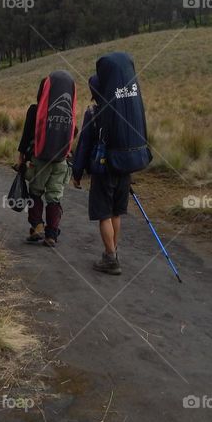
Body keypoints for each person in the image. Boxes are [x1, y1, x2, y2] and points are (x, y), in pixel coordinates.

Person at [72, 74, 129, 275]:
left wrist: (76, 172)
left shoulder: (93, 113)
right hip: (123, 169)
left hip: (103, 171)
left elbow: (84, 145)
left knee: (103, 213)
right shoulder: (123, 111)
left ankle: (110, 258)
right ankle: (113, 251)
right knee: (115, 212)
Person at [17, 75, 75, 247]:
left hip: (39, 160)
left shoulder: (35, 110)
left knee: (35, 193)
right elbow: (74, 131)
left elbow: (26, 136)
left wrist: (21, 158)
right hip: (61, 160)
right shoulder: (68, 109)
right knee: (54, 197)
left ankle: (37, 227)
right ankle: (51, 235)